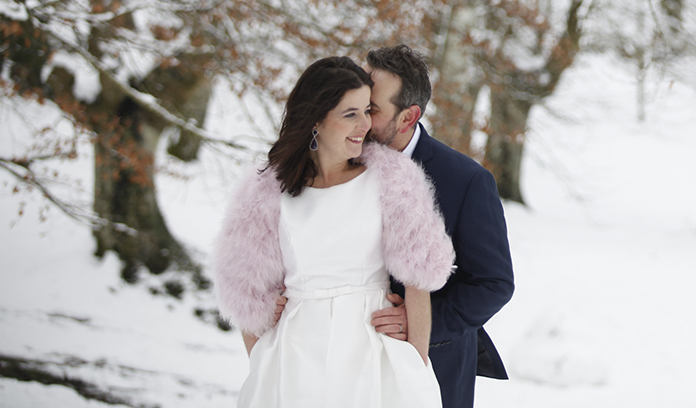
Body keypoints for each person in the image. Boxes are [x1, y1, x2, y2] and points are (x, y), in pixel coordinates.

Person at [212, 56, 455, 408]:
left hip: (373, 351)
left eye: (367, 111)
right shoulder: (266, 190)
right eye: (350, 114)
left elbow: (420, 278)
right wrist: (265, 361)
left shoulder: (392, 179)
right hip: (294, 356)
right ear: (316, 119)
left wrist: (414, 365)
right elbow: (241, 286)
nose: (364, 125)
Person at [365, 45, 515, 408]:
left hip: (434, 369)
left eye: (371, 109)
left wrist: (419, 321)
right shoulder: (337, 165)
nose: (358, 117)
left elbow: (493, 284)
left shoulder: (465, 180)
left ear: (407, 117)